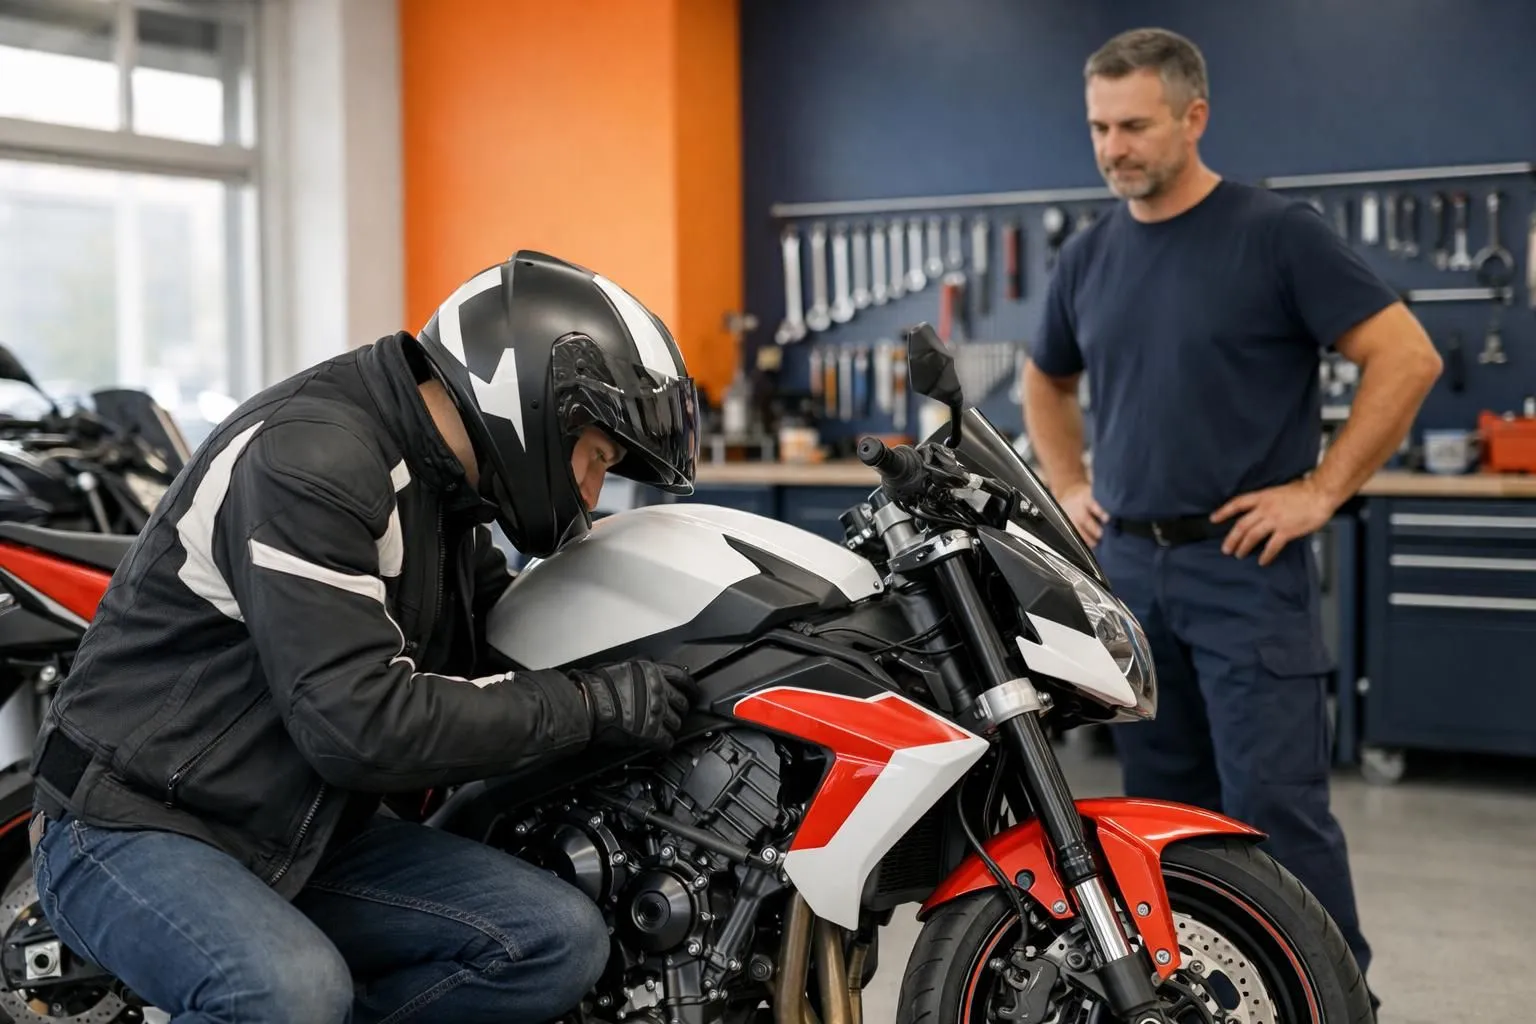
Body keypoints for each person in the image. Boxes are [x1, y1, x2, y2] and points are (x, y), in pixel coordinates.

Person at [28, 250, 703, 1024]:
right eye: (596, 459)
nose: (589, 492)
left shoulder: (450, 488)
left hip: (301, 827)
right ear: (534, 406)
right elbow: (357, 725)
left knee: (554, 940)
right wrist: (591, 706)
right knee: (291, 996)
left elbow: (499, 640)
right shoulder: (315, 460)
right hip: (133, 821)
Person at [1022, 26, 1442, 1003]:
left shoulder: (1275, 234)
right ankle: (1208, 994)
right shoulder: (1089, 257)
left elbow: (1407, 355)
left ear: (1193, 117)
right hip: (1129, 572)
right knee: (1162, 817)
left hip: (1244, 572)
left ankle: (1337, 999)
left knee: (1274, 814)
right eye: (1098, 128)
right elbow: (1046, 378)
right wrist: (1069, 481)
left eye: (1133, 126)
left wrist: (1323, 489)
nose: (1112, 148)